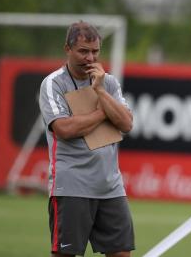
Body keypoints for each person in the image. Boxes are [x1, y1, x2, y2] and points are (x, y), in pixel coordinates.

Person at [39, 21, 135, 257]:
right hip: (71, 186)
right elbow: (64, 129)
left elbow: (126, 124)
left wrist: (100, 92)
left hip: (110, 187)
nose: (90, 58)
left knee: (122, 253)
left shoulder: (108, 82)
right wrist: (105, 112)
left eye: (95, 51)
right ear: (67, 49)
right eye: (83, 51)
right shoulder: (53, 84)